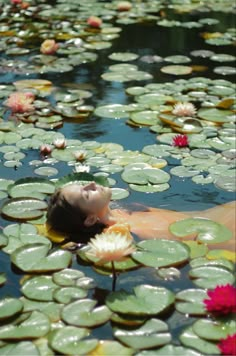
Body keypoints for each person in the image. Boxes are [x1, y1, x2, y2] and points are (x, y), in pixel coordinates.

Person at [47, 181, 235, 251]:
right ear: (90, 219)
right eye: (86, 194)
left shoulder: (123, 210)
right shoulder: (136, 235)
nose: (91, 184)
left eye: (83, 185)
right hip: (223, 236)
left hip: (212, 219)